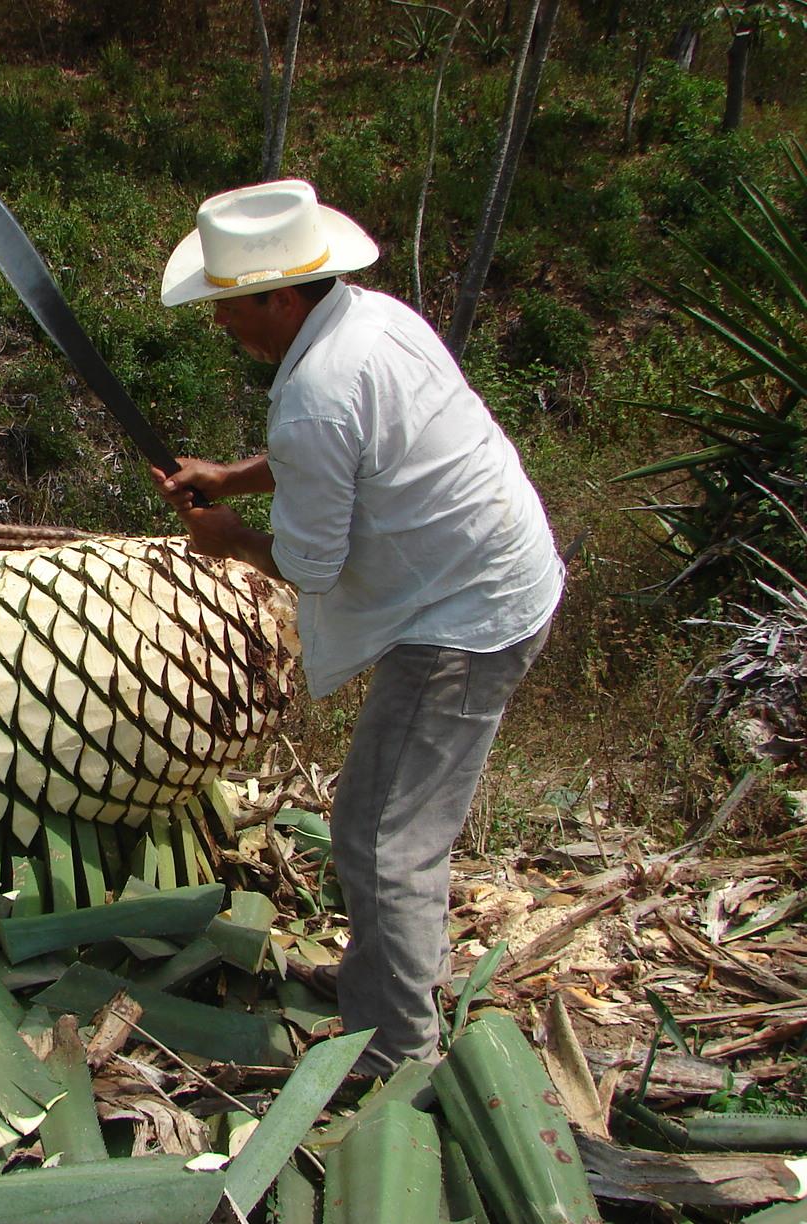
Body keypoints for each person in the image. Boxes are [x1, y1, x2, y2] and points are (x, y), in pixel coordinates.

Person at [153, 180, 563, 1077]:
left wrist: (229, 540)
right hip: (496, 575)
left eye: (229, 306)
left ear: (283, 297)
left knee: (382, 837)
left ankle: (397, 1057)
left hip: (463, 619)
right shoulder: (375, 320)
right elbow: (336, 452)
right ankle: (386, 988)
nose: (220, 324)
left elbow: (309, 566)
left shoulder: (314, 398)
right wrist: (232, 478)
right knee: (391, 826)